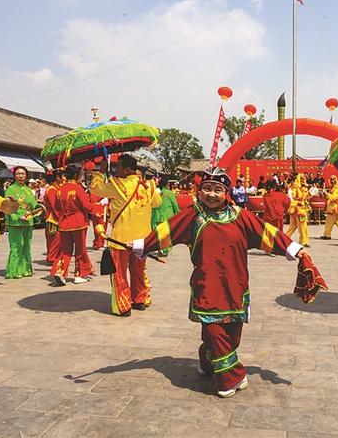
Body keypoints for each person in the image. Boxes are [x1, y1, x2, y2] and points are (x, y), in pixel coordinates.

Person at [128, 168, 311, 398]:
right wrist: (141, 244)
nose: (211, 195)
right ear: (199, 191)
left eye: (217, 190)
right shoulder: (193, 215)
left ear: (226, 193)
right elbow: (167, 231)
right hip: (207, 286)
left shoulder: (240, 215)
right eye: (207, 189)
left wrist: (295, 248)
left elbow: (267, 233)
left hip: (236, 286)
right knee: (215, 330)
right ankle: (231, 378)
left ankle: (207, 360)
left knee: (231, 336)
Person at [90, 154, 161, 315]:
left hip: (120, 238)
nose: (116, 170)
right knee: (139, 271)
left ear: (127, 169)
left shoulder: (117, 184)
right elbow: (157, 203)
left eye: (118, 167)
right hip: (143, 239)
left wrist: (100, 172)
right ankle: (140, 300)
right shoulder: (148, 185)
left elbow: (95, 190)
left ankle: (123, 306)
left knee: (119, 273)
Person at [50, 165, 103, 285]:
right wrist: (100, 207)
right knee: (80, 249)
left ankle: (60, 272)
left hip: (64, 222)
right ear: (76, 175)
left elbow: (57, 207)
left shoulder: (59, 189)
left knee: (65, 250)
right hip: (78, 222)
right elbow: (86, 206)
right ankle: (79, 274)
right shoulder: (78, 188)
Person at [4, 166, 39, 279]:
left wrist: (38, 212)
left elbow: (34, 205)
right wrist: (18, 216)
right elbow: (7, 206)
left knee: (26, 246)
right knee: (17, 246)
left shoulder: (29, 190)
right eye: (18, 174)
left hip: (28, 222)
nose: (21, 176)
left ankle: (26, 269)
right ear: (14, 176)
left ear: (26, 175)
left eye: (23, 174)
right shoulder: (10, 189)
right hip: (16, 223)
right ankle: (14, 271)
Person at [151, 177, 180, 256]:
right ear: (167, 184)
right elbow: (175, 205)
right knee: (165, 234)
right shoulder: (169, 193)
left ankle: (160, 249)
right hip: (167, 216)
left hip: (155, 216)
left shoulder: (155, 192)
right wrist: (179, 214)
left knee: (158, 234)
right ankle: (164, 250)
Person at [262, 179, 291, 252]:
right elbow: (288, 202)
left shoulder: (265, 196)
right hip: (278, 217)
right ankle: (278, 248)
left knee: (269, 233)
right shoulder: (280, 195)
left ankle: (269, 248)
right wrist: (284, 210)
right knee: (278, 233)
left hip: (268, 217)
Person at [285, 173, 310, 247]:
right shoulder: (295, 188)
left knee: (293, 226)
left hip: (301, 209)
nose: (303, 180)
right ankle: (303, 241)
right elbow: (291, 198)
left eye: (304, 179)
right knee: (302, 226)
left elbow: (306, 197)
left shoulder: (304, 188)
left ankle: (285, 238)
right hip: (298, 210)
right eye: (301, 179)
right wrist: (298, 201)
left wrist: (311, 193)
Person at [43, 170, 62, 263]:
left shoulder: (55, 188)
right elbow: (55, 206)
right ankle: (51, 257)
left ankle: (53, 256)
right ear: (56, 178)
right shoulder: (52, 189)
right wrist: (60, 216)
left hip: (54, 216)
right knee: (55, 239)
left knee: (56, 239)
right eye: (60, 176)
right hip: (53, 218)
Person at [321, 175, 338, 240]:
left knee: (329, 222)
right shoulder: (332, 188)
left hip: (334, 208)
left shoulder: (336, 188)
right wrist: (325, 195)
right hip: (333, 207)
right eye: (331, 179)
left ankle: (327, 235)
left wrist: (327, 194)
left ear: (336, 180)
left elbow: (334, 197)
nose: (332, 181)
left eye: (333, 179)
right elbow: (329, 197)